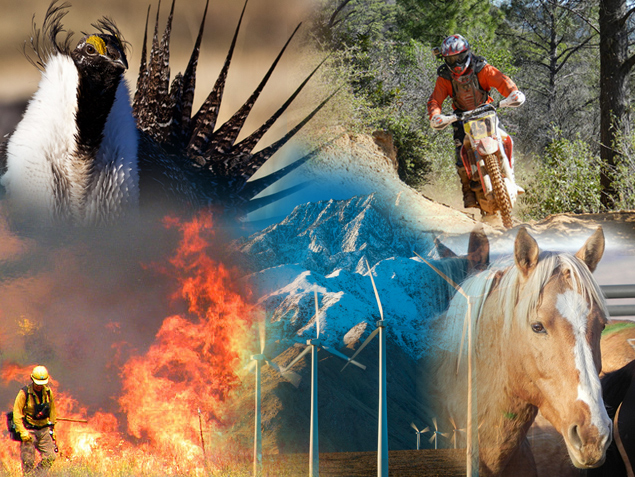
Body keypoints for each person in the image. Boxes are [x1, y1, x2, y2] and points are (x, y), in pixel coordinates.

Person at [427, 34, 525, 208]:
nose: (457, 64)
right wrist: (435, 114)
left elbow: (502, 81)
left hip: (486, 111)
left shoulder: (481, 68)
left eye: (460, 58)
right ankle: (467, 190)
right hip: (461, 117)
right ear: (445, 60)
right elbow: (435, 99)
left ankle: (511, 177)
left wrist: (513, 93)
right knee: (460, 151)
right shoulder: (445, 77)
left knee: (506, 139)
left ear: (467, 53)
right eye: (451, 60)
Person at [13, 365, 57, 475]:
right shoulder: (24, 393)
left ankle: (36, 475)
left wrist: (52, 429)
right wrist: (22, 431)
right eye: (37, 383)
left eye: (41, 384)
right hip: (29, 431)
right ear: (32, 379)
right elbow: (17, 413)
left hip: (44, 430)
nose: (39, 386)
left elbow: (52, 411)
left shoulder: (48, 392)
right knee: (28, 462)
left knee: (50, 457)